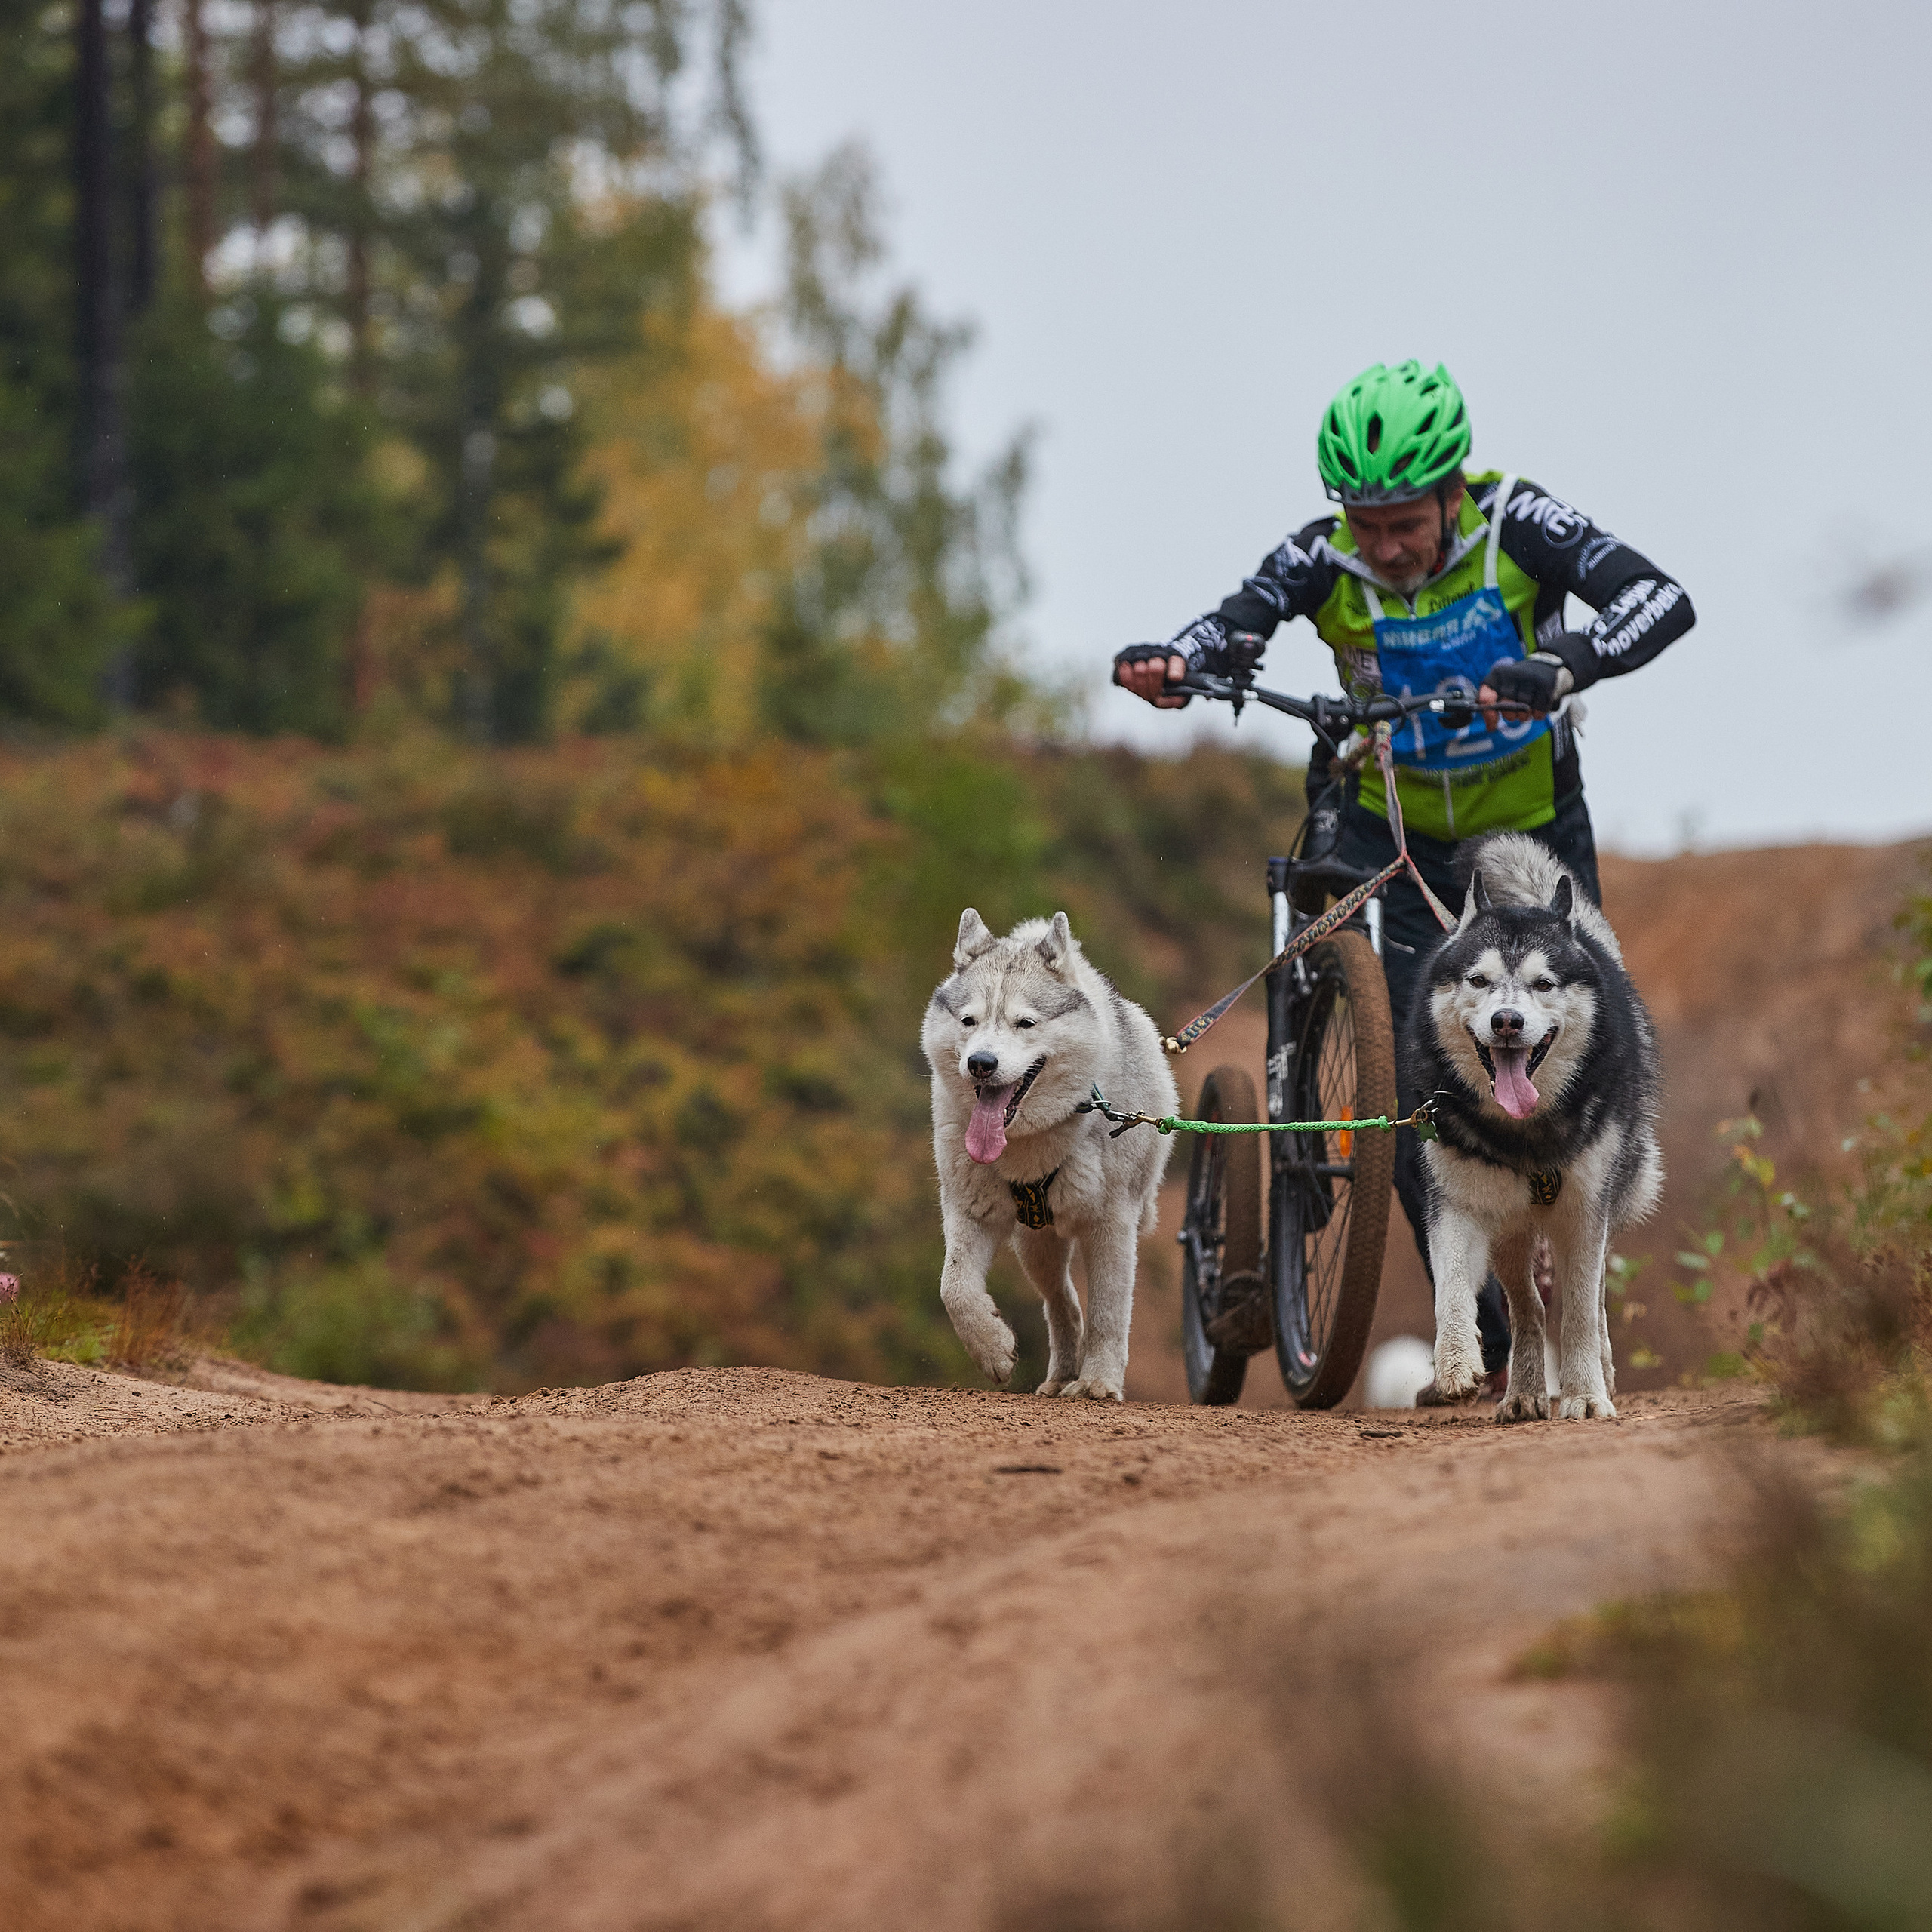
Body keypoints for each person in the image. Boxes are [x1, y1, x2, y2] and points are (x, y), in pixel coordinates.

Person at [1113, 360, 1694, 1392]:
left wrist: (1565, 660)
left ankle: (1575, 1295)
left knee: (1573, 1068)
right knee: (1435, 1083)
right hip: (1398, 822)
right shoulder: (1323, 553)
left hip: (1534, 828)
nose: (1380, 547)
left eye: (1403, 524)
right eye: (1363, 522)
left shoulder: (1521, 523)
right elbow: (1237, 620)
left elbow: (1661, 598)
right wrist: (1179, 661)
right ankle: (1482, 1328)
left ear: (1452, 490)